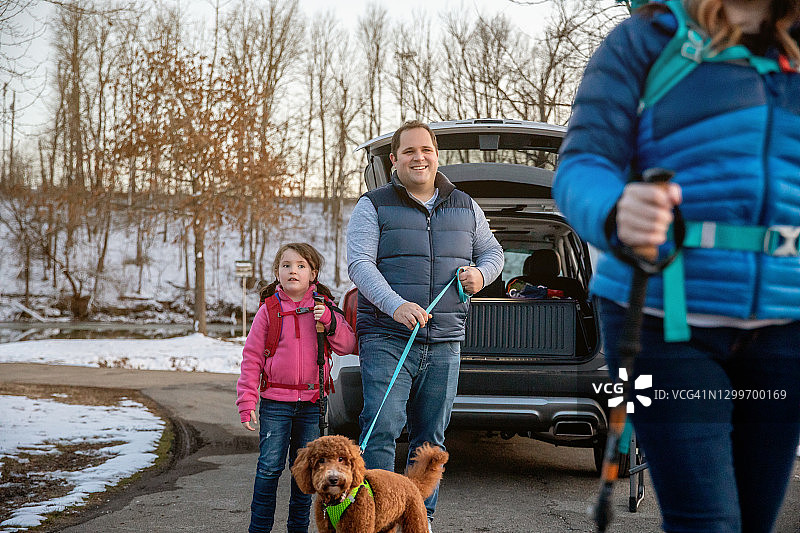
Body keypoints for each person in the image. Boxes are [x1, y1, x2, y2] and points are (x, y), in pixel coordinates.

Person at [553, 1, 800, 531]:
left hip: (788, 325)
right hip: (665, 319)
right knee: (707, 522)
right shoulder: (648, 37)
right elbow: (582, 164)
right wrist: (617, 209)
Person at [347, 120, 504, 530]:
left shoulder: (466, 205)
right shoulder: (373, 205)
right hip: (387, 337)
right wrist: (395, 305)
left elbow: (493, 253)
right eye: (409, 151)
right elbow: (359, 264)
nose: (419, 158)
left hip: (445, 341)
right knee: (382, 428)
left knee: (431, 439)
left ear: (437, 155)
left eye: (426, 150)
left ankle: (421, 519)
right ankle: (376, 518)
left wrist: (481, 275)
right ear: (394, 160)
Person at [236, 242, 356, 533]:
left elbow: (348, 345)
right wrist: (247, 401)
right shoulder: (269, 310)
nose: (293, 271)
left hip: (313, 404)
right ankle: (259, 529)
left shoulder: (325, 308)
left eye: (301, 266)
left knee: (305, 473)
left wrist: (329, 322)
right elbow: (252, 358)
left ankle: (298, 529)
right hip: (276, 403)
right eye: (286, 265)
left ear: (313, 273)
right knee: (269, 468)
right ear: (277, 272)